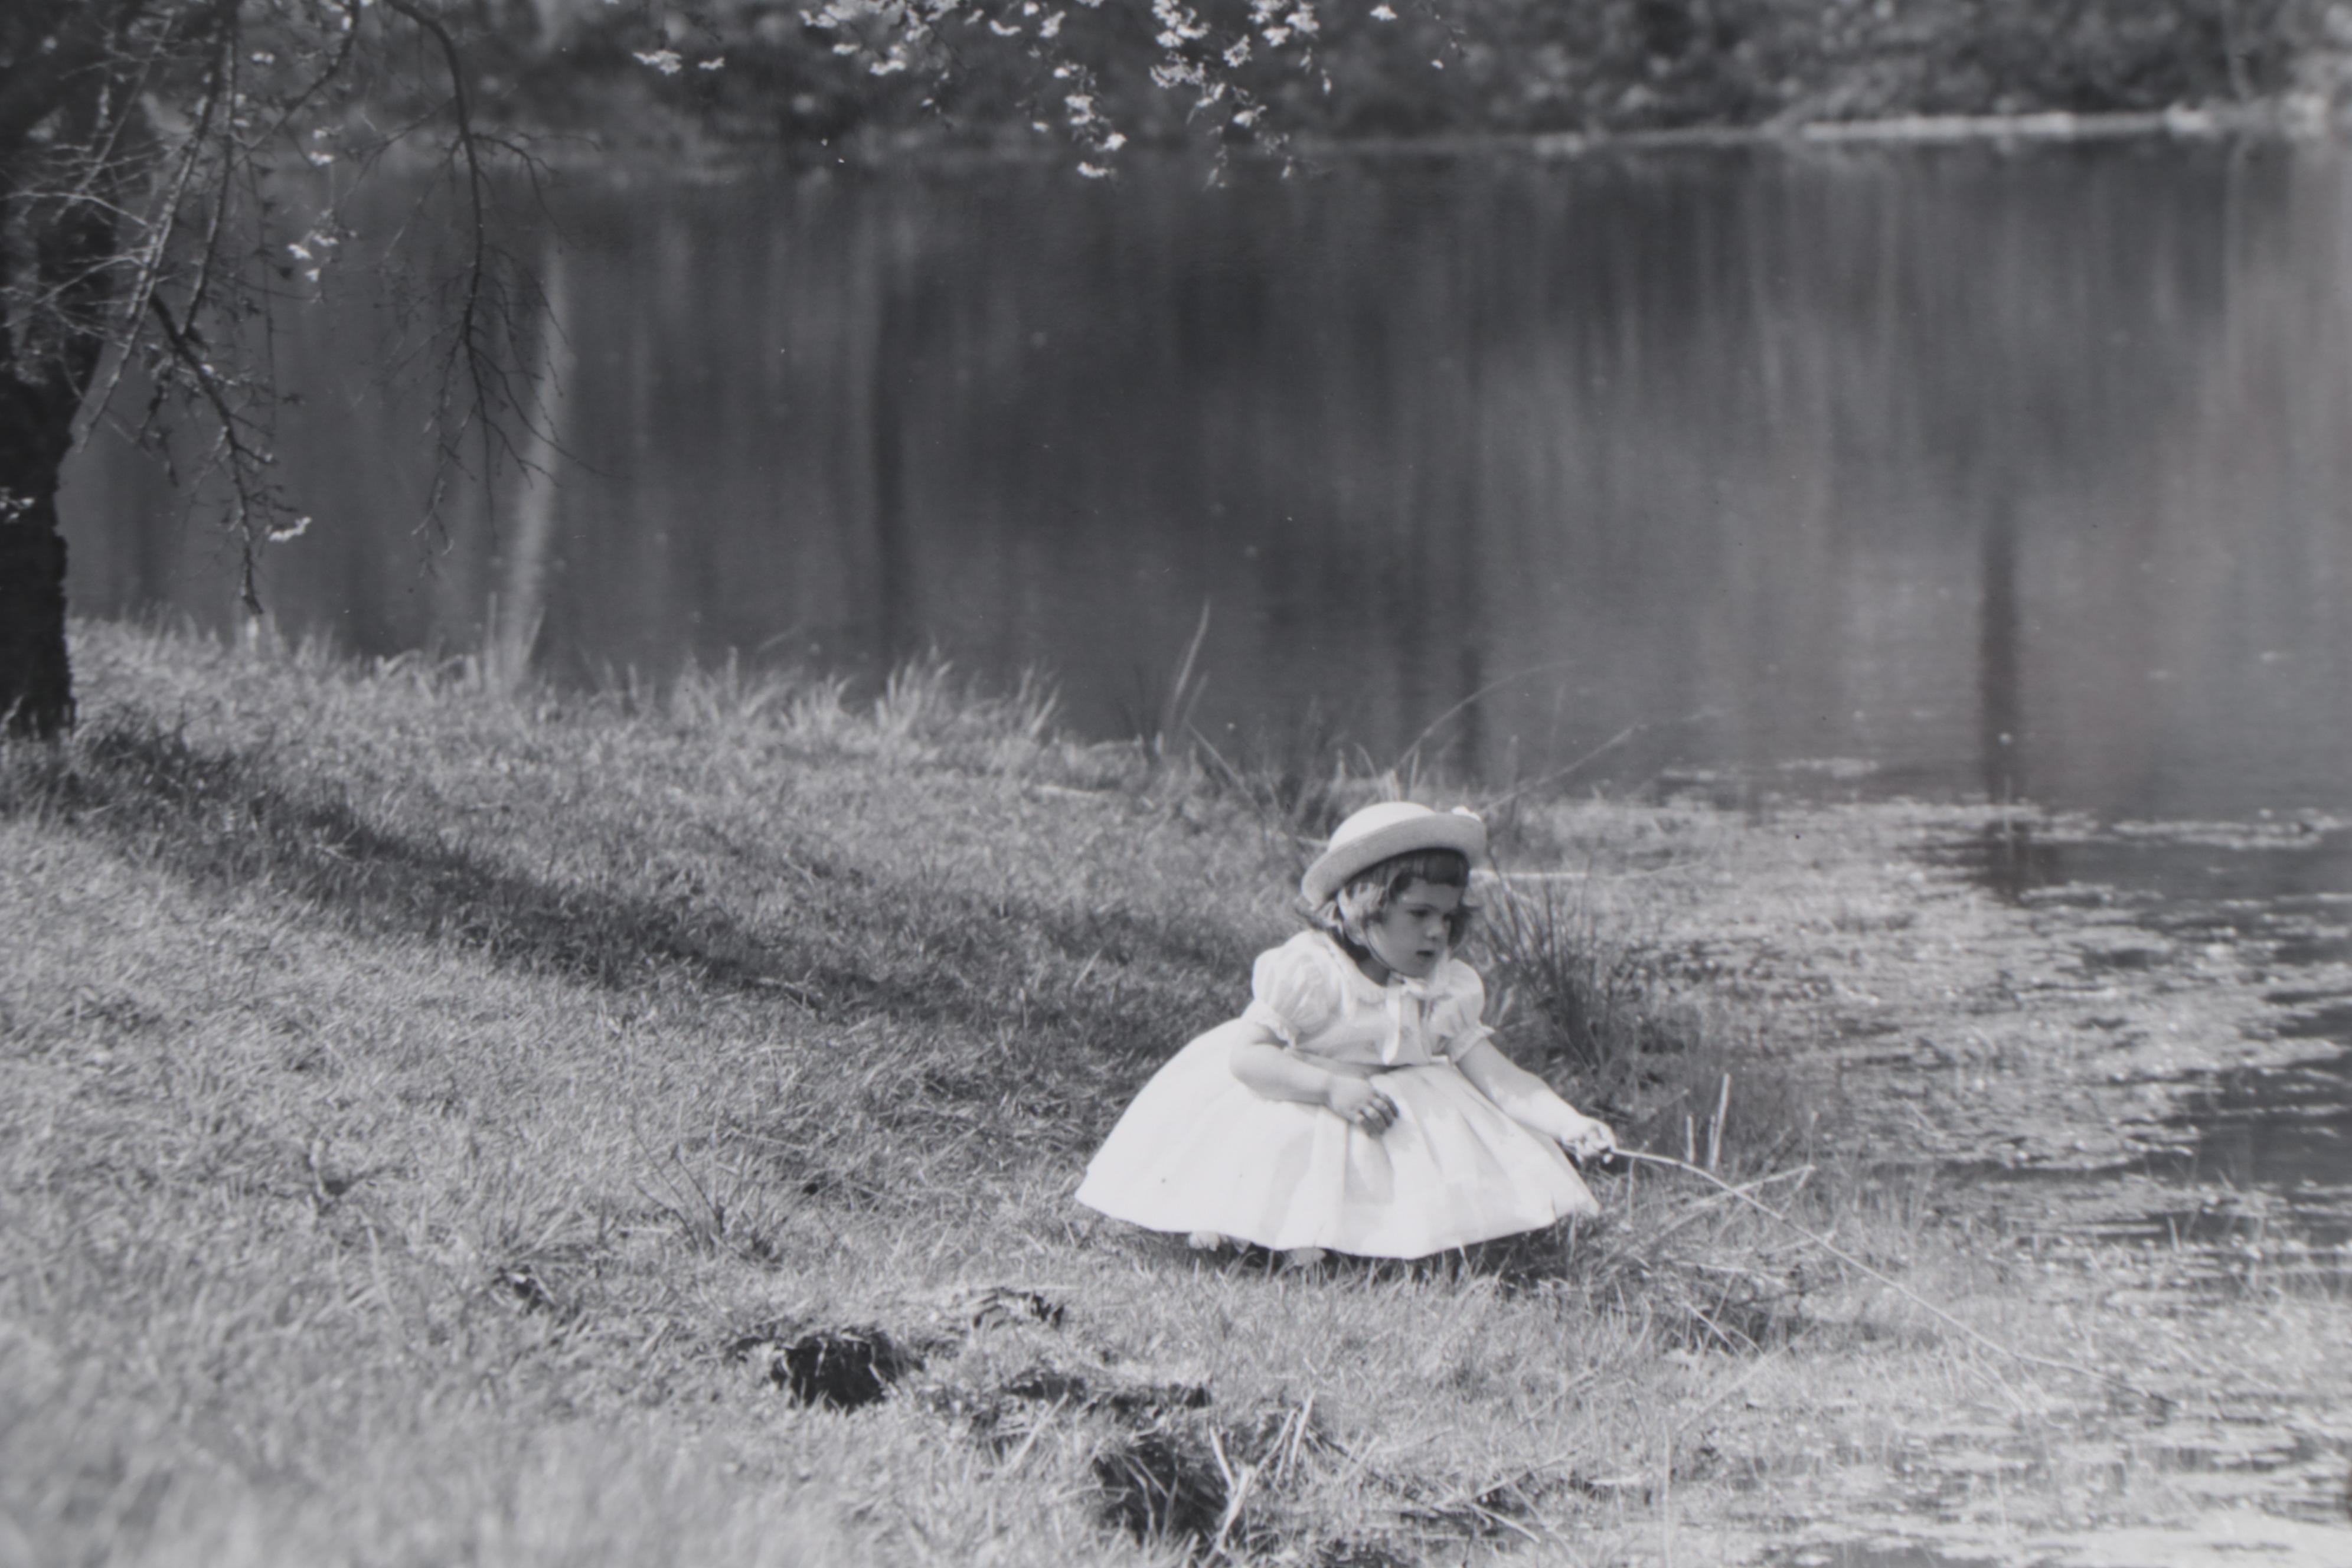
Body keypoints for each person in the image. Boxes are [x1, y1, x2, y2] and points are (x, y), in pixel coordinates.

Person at [1075, 801, 1616, 1262]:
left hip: (1390, 1113)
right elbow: (1248, 1059)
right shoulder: (1314, 974)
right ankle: (1268, 1240)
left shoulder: (1445, 989)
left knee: (1437, 1131)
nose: (1436, 932)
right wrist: (1330, 1088)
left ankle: (1395, 1244)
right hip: (1306, 1092)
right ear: (1362, 909)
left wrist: (1568, 1123)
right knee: (1285, 1143)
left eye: (1448, 918)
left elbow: (1499, 1078)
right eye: (1419, 913)